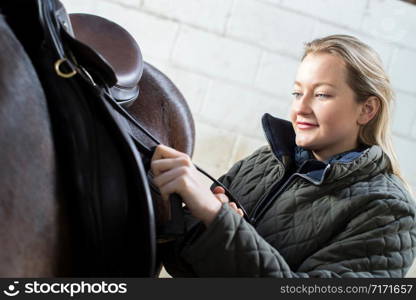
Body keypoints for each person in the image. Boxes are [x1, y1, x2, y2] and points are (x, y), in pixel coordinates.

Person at [150, 35, 416, 277]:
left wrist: (215, 216)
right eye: (297, 93)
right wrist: (204, 217)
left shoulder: (388, 210)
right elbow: (180, 263)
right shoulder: (264, 161)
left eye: (321, 94)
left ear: (366, 110)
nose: (300, 107)